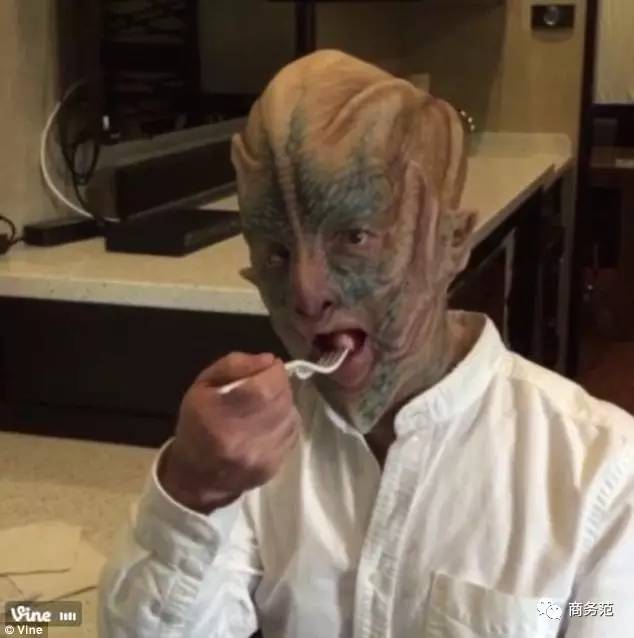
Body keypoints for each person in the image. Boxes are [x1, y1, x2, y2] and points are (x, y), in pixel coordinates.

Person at [98, 51, 634, 637]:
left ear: (452, 243)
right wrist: (192, 489)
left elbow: (600, 615)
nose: (306, 294)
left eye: (354, 236)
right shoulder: (251, 454)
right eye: (275, 252)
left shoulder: (600, 470)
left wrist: (552, 614)